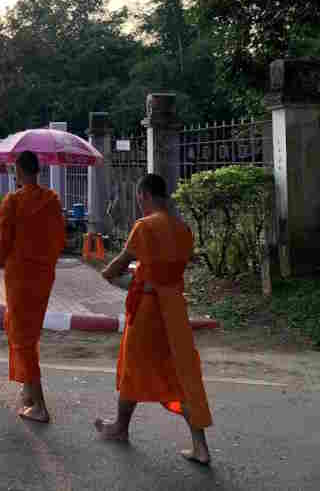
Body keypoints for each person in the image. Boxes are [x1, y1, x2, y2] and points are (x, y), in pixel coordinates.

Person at [95, 173, 213, 465]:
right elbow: (170, 268)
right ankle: (200, 447)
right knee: (181, 374)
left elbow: (118, 265)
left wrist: (107, 273)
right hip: (174, 309)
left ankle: (121, 428)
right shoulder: (184, 230)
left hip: (148, 309)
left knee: (133, 367)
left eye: (139, 199)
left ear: (143, 195)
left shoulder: (144, 226)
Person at [0, 150, 65, 423]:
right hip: (43, 275)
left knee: (22, 337)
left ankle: (40, 406)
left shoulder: (12, 201)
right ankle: (28, 391)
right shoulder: (52, 200)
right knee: (27, 332)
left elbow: (5, 239)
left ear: (19, 172)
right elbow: (59, 238)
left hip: (20, 275)